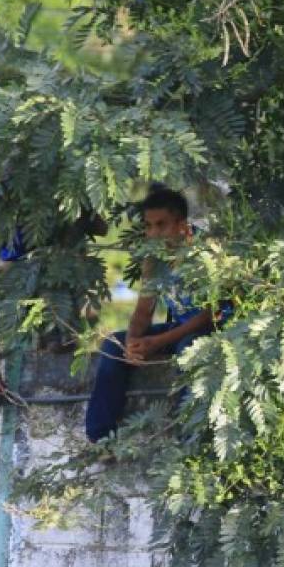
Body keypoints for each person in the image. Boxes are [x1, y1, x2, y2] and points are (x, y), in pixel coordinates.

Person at [84, 186, 213, 442]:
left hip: (211, 332)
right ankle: (101, 440)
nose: (153, 233)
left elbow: (211, 315)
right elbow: (144, 311)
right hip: (177, 330)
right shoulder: (154, 258)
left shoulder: (205, 252)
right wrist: (132, 343)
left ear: (181, 224)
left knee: (190, 348)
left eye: (161, 225)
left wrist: (158, 342)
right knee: (113, 345)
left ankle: (189, 442)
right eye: (148, 225)